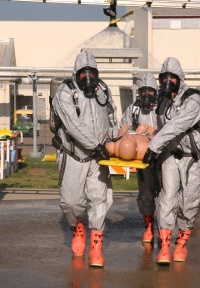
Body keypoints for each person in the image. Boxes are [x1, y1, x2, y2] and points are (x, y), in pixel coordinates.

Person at [51, 50, 119, 267]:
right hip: (74, 156)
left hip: (98, 159)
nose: (87, 77)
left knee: (99, 200)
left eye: (92, 72)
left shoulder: (103, 90)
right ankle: (78, 228)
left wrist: (115, 139)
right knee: (71, 202)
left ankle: (96, 247)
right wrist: (95, 145)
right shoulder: (64, 93)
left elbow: (111, 115)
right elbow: (73, 125)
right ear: (76, 73)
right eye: (83, 73)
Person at [143, 57, 200, 265]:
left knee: (188, 203)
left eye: (172, 77)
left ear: (180, 79)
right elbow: (160, 127)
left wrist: (154, 146)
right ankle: (164, 247)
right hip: (170, 156)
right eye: (164, 77)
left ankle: (180, 245)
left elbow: (177, 126)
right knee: (166, 201)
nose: (167, 82)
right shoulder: (163, 102)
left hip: (192, 159)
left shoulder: (193, 101)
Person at [119, 73, 159, 244]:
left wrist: (152, 132)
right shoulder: (132, 110)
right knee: (146, 193)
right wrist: (134, 134)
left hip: (164, 158)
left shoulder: (163, 108)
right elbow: (121, 131)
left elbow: (172, 129)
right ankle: (149, 227)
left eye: (150, 90)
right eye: (143, 91)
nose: (147, 94)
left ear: (156, 91)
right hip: (143, 160)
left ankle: (165, 228)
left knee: (167, 194)